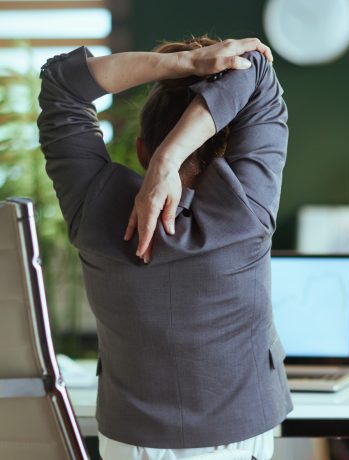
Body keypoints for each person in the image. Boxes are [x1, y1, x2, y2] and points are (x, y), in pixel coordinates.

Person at [37, 36, 292, 460]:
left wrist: (187, 64)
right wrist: (170, 159)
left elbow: (60, 83)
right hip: (237, 438)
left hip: (128, 442)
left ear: (140, 148)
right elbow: (256, 67)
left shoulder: (94, 208)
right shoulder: (247, 207)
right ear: (228, 145)